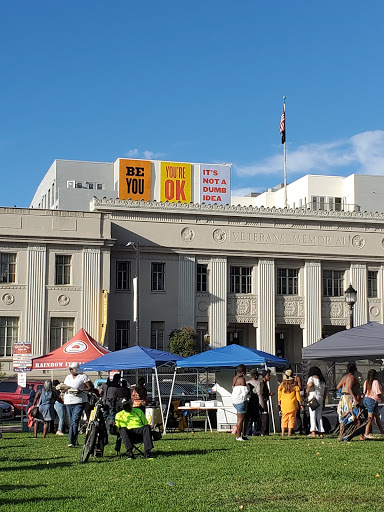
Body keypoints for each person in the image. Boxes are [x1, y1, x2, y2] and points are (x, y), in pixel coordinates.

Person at [63, 362, 92, 447]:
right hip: (69, 400)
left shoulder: (83, 376)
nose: (70, 371)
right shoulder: (68, 377)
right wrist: (63, 389)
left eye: (72, 369)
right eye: (70, 369)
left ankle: (71, 440)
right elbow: (65, 387)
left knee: (75, 420)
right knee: (72, 421)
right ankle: (74, 440)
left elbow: (90, 387)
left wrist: (81, 390)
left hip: (79, 401)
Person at [336, 362, 364, 441]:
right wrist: (354, 399)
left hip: (344, 398)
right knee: (355, 415)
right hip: (349, 398)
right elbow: (349, 388)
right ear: (355, 369)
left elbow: (338, 387)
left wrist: (342, 391)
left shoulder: (344, 377)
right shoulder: (351, 377)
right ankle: (361, 436)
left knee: (344, 416)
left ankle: (340, 435)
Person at [278, 370, 301, 437]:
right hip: (292, 405)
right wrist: (301, 403)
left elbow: (279, 393)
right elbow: (298, 396)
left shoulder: (282, 386)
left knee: (284, 418)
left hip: (284, 405)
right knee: (291, 419)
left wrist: (279, 401)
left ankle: (282, 433)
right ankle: (289, 433)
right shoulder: (295, 387)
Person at [362, 369, 384, 439]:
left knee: (376, 418)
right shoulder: (375, 382)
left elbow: (364, 391)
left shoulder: (366, 382)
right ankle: (366, 433)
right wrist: (382, 398)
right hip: (372, 401)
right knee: (370, 418)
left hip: (367, 399)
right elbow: (378, 393)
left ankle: (382, 432)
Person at [306, 366, 327, 437]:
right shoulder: (322, 380)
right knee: (319, 415)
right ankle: (321, 431)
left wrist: (307, 391)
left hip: (313, 396)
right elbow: (325, 392)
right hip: (320, 397)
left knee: (312, 415)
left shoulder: (311, 378)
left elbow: (310, 384)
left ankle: (313, 431)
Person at [231, 364, 249, 441]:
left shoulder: (234, 378)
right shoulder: (242, 379)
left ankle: (243, 435)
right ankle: (238, 436)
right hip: (241, 401)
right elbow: (245, 391)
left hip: (235, 401)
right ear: (242, 371)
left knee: (244, 418)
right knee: (241, 419)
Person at [246, 369, 261, 436]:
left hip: (248, 400)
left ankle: (248, 432)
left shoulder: (247, 382)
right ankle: (256, 431)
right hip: (255, 399)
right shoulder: (258, 383)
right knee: (256, 417)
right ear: (255, 376)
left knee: (249, 417)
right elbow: (259, 392)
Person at [260, 369, 273, 436]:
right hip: (263, 402)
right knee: (264, 416)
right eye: (268, 375)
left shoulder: (265, 383)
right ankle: (263, 432)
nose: (269, 377)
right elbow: (261, 393)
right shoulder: (262, 383)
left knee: (266, 416)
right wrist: (268, 394)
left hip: (265, 401)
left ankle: (266, 432)